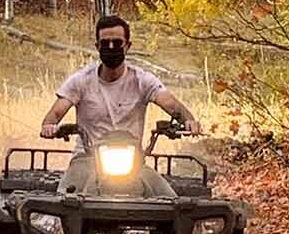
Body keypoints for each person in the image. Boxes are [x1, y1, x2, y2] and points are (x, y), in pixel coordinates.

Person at [39, 15, 202, 195]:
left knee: (170, 200)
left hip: (133, 163)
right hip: (87, 159)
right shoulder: (80, 81)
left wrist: (189, 120)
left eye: (117, 43)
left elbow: (172, 105)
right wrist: (49, 126)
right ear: (97, 46)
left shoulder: (142, 80)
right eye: (105, 43)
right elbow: (55, 112)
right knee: (65, 201)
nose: (111, 48)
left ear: (127, 46)